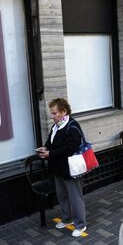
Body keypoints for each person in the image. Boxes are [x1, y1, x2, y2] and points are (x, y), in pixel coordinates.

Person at [37, 98, 87, 237]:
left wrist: (50, 153)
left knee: (75, 197)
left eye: (54, 113)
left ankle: (80, 224)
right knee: (62, 195)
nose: (52, 116)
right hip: (58, 168)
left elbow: (71, 148)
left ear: (64, 111)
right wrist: (45, 147)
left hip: (71, 168)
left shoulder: (72, 126)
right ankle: (67, 219)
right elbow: (51, 141)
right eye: (51, 113)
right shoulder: (56, 125)